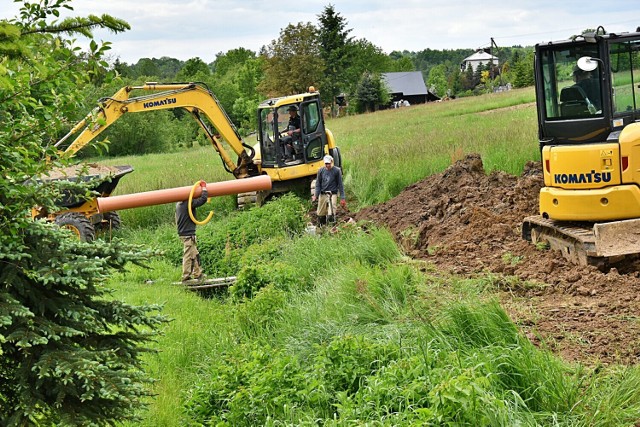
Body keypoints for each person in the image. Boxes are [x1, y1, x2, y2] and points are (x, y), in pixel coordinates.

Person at [176, 180, 208, 283]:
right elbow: (202, 200)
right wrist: (203, 188)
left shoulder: (179, 204)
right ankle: (186, 276)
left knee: (194, 253)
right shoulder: (187, 203)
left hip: (185, 233)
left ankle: (198, 274)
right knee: (188, 254)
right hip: (188, 233)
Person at [312, 154, 346, 225]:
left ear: (332, 162)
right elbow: (318, 184)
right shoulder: (321, 171)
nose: (327, 165)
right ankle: (322, 227)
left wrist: (342, 198)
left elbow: (340, 185)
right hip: (323, 193)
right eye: (326, 164)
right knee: (320, 213)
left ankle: (331, 226)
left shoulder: (337, 171)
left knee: (331, 212)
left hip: (332, 193)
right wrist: (315, 195)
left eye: (329, 164)